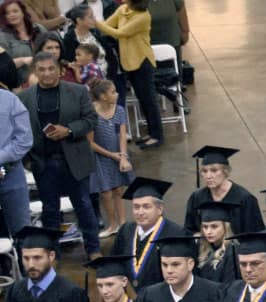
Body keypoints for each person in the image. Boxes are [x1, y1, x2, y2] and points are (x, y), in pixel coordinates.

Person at [19, 52, 103, 257]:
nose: (47, 73)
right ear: (35, 72)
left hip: (74, 159)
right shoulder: (24, 97)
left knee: (83, 205)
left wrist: (69, 130)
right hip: (43, 162)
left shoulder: (77, 91)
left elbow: (91, 119)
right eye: (42, 69)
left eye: (51, 68)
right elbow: (20, 130)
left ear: (59, 70)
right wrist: (29, 161)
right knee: (50, 211)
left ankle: (93, 249)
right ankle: (52, 254)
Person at [95, 0, 161, 147]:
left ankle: (156, 135)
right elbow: (109, 25)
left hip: (142, 60)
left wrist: (95, 22)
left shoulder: (143, 16)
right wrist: (100, 25)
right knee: (141, 98)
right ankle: (150, 133)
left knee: (148, 99)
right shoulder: (123, 9)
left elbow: (120, 33)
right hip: (129, 61)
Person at [108, 177, 188, 289]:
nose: (140, 212)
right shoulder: (126, 230)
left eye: (146, 207)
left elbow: (181, 276)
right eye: (136, 207)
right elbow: (115, 264)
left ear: (160, 209)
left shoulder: (176, 234)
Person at [182, 146, 263, 235]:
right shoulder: (197, 197)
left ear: (226, 171)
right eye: (204, 171)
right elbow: (189, 230)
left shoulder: (245, 199)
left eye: (214, 170)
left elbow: (255, 234)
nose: (208, 176)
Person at [87, 79, 129, 235]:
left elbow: (122, 135)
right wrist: (112, 155)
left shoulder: (119, 110)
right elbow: (90, 142)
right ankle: (112, 225)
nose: (116, 94)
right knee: (106, 192)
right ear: (103, 96)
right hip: (101, 156)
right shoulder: (91, 113)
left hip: (118, 153)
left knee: (118, 189)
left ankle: (123, 223)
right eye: (113, 92)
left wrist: (123, 156)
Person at [0, 80, 31, 234]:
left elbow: (24, 140)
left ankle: (22, 257)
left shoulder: (9, 100)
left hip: (11, 173)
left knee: (22, 231)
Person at [192, 201, 238, 284]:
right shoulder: (201, 248)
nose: (208, 232)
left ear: (225, 227)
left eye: (214, 226)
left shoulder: (233, 250)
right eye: (205, 227)